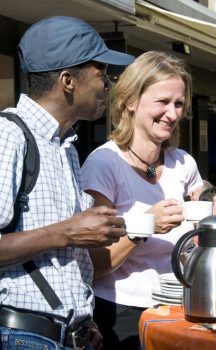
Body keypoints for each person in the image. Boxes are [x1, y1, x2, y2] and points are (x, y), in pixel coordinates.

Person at [0, 16, 133, 350]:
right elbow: (63, 234)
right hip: (21, 335)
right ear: (67, 80)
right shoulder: (9, 135)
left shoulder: (65, 147)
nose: (108, 85)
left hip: (66, 336)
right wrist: (67, 231)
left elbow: (61, 258)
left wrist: (82, 320)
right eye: (102, 74)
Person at [80, 51, 203, 349]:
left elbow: (202, 223)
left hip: (178, 305)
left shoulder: (182, 163)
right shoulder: (105, 163)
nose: (172, 114)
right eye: (162, 102)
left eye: (178, 104)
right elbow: (93, 263)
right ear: (130, 101)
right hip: (121, 312)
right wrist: (144, 225)